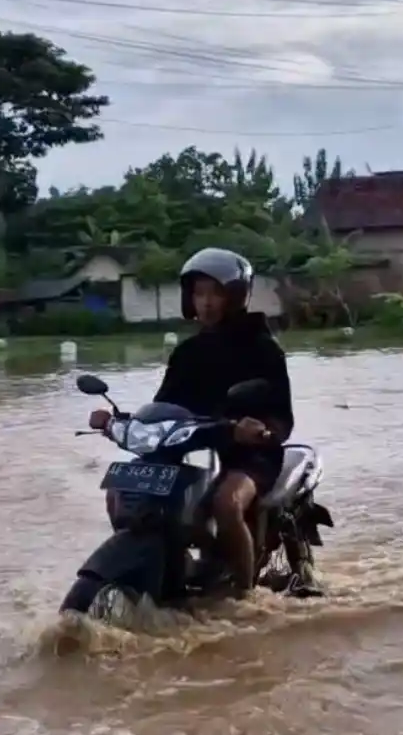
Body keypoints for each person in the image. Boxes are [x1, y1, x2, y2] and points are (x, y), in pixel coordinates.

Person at [87, 247, 292, 595]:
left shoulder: (263, 348)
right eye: (199, 294)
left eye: (216, 293)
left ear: (235, 296)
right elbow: (164, 406)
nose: (206, 303)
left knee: (226, 503)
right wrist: (119, 422)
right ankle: (169, 563)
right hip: (196, 447)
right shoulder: (187, 353)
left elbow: (282, 414)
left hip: (249, 453)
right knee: (120, 493)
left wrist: (263, 430)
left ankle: (244, 595)